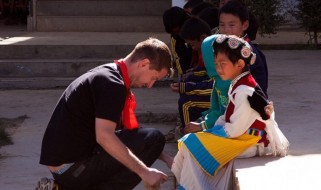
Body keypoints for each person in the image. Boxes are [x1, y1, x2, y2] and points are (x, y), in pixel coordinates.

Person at [36, 38, 173, 190]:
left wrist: (166, 158)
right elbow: (105, 136)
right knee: (154, 139)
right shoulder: (112, 84)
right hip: (72, 169)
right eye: (153, 78)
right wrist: (144, 172)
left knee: (148, 139)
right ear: (144, 64)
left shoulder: (109, 74)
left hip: (67, 167)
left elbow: (128, 134)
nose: (150, 85)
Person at [171, 35, 289, 189]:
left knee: (192, 144)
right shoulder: (238, 83)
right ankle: (190, 185)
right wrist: (211, 128)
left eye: (223, 64)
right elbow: (227, 117)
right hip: (239, 136)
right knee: (191, 142)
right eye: (216, 64)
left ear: (240, 63)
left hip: (250, 141)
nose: (218, 69)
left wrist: (212, 132)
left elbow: (234, 129)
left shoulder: (244, 92)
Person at [185, 0, 269, 134]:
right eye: (222, 25)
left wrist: (206, 125)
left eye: (232, 25)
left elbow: (252, 98)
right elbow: (219, 90)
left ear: (245, 25)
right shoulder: (223, 49)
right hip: (229, 110)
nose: (226, 30)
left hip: (247, 115)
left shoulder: (249, 54)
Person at [169, 17, 213, 140]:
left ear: (202, 37)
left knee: (186, 103)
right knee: (186, 85)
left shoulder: (212, 51)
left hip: (223, 96)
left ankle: (190, 140)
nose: (193, 48)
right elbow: (208, 73)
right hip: (217, 90)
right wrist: (194, 73)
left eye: (193, 44)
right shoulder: (207, 48)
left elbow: (215, 84)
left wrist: (186, 87)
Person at [162, 6, 192, 76]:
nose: (179, 34)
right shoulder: (175, 38)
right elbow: (179, 57)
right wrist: (184, 75)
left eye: (179, 31)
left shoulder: (198, 29)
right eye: (175, 32)